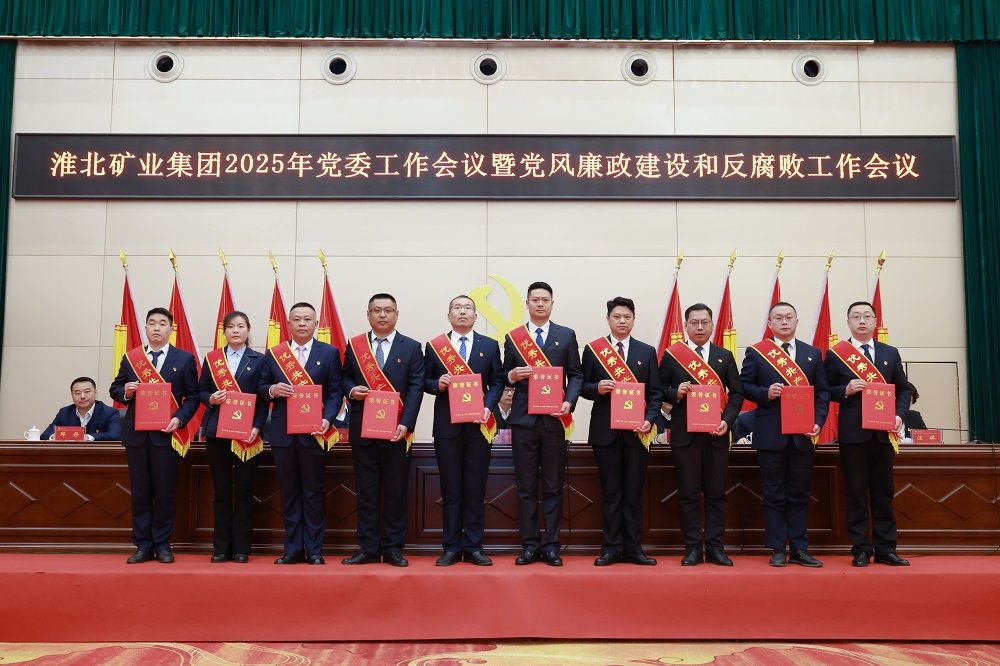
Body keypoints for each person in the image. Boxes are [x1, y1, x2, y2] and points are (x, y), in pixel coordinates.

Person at [740, 301, 830, 568]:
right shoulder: (757, 352)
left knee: (800, 493)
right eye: (778, 318)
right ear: (770, 324)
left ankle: (800, 549)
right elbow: (743, 386)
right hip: (771, 436)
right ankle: (778, 548)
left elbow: (823, 393)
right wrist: (765, 393)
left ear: (796, 321)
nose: (784, 322)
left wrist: (818, 421)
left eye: (789, 317)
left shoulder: (812, 353)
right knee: (773, 493)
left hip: (803, 435)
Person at [109, 307, 200, 564]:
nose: (157, 327)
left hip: (166, 435)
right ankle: (143, 545)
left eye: (162, 323)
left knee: (164, 491)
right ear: (146, 328)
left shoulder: (184, 359)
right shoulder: (132, 358)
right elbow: (115, 388)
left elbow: (193, 397)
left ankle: (163, 544)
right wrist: (126, 392)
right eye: (152, 323)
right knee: (140, 492)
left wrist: (179, 419)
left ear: (171, 329)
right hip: (137, 436)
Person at [501, 281, 583, 566]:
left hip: (554, 420)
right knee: (525, 487)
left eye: (544, 300)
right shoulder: (514, 337)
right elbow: (503, 375)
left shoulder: (566, 335)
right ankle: (529, 545)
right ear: (526, 303)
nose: (539, 304)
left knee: (553, 486)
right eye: (534, 300)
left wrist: (569, 402)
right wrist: (512, 376)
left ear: (552, 303)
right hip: (523, 421)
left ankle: (551, 546)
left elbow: (576, 375)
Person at [825, 300, 912, 567]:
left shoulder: (889, 353)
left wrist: (899, 415)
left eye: (866, 316)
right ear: (848, 322)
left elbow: (904, 389)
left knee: (884, 493)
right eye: (856, 316)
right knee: (856, 493)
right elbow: (825, 389)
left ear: (875, 321)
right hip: (853, 435)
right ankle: (860, 548)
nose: (861, 320)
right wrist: (846, 390)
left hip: (883, 434)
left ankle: (886, 549)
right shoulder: (837, 354)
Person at [342, 293, 424, 567]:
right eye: (376, 310)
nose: (382, 315)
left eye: (388, 310)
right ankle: (367, 547)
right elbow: (343, 378)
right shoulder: (356, 345)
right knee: (366, 491)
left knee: (395, 491)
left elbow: (416, 388)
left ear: (396, 314)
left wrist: (406, 423)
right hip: (363, 430)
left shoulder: (411, 347)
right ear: (368, 314)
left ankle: (392, 547)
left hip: (396, 431)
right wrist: (351, 390)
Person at [659, 303, 744, 566]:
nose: (699, 327)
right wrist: (675, 392)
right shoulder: (673, 356)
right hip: (685, 436)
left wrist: (727, 421)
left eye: (704, 322)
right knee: (688, 493)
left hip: (716, 435)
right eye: (694, 323)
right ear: (685, 326)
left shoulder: (724, 356)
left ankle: (716, 547)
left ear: (712, 325)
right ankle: (693, 548)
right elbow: (657, 389)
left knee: (716, 493)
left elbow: (737, 393)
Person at [581, 297, 662, 566]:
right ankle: (611, 548)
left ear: (634, 320)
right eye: (617, 316)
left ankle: (634, 548)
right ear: (608, 319)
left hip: (637, 433)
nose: (622, 321)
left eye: (627, 317)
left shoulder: (646, 351)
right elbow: (582, 387)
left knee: (634, 493)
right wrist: (597, 388)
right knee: (611, 492)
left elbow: (656, 393)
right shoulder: (594, 350)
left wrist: (649, 419)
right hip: (605, 432)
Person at [259, 302, 343, 565]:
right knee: (289, 492)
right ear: (289, 324)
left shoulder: (329, 353)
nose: (302, 323)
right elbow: (261, 386)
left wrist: (328, 419)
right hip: (283, 434)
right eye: (297, 319)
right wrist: (272, 390)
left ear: (316, 324)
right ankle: (293, 549)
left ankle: (314, 550)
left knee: (313, 492)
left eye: (307, 319)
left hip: (314, 433)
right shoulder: (275, 354)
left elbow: (335, 392)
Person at [423, 295, 503, 566]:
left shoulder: (489, 346)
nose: (462, 312)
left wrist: (488, 407)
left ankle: (474, 546)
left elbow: (497, 382)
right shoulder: (435, 347)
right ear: (449, 316)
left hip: (478, 427)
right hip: (447, 428)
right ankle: (451, 547)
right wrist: (437, 384)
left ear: (475, 316)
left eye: (468, 308)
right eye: (456, 308)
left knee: (475, 488)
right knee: (451, 489)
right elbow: (423, 380)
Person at [198, 311, 267, 563]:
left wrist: (257, 427)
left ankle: (241, 548)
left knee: (245, 492)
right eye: (230, 326)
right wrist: (210, 398)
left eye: (240, 326)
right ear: (224, 331)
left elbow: (263, 399)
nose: (235, 330)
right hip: (217, 433)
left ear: (248, 330)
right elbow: (200, 390)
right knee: (222, 491)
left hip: (247, 434)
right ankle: (221, 548)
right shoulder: (213, 359)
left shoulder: (260, 360)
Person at [42, 376, 121, 441]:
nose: (82, 396)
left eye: (87, 392)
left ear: (95, 393)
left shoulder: (110, 413)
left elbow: (115, 435)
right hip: (70, 454)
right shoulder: (64, 412)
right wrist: (55, 436)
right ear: (72, 395)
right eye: (78, 393)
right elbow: (45, 435)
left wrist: (87, 437)